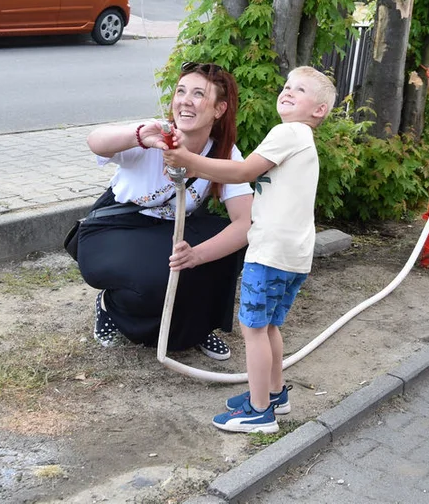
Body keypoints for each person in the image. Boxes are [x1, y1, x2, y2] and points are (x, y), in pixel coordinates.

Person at [161, 66, 336, 434]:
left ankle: (259, 413)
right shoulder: (301, 139)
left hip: (270, 251)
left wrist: (190, 162)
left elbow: (243, 173)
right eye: (287, 86)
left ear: (319, 110)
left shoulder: (288, 132)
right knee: (269, 325)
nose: (287, 92)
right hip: (293, 254)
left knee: (253, 329)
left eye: (300, 90)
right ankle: (274, 395)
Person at [78, 62, 253, 360]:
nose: (185, 100)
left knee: (223, 248)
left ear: (219, 109)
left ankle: (198, 327)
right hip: (116, 227)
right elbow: (95, 142)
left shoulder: (223, 151)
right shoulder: (155, 134)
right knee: (154, 279)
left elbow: (245, 222)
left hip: (168, 230)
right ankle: (111, 307)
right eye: (181, 91)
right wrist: (138, 136)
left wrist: (199, 255)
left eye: (198, 94)